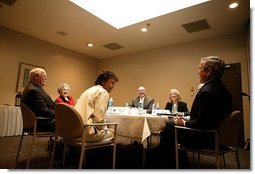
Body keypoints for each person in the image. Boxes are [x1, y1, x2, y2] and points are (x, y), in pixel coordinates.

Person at [153, 56, 232, 168]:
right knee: (172, 127)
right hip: (218, 136)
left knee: (170, 126)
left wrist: (184, 123)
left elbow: (202, 123)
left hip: (205, 138)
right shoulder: (224, 90)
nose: (198, 72)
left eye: (200, 68)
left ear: (208, 71)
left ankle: (172, 162)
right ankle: (169, 159)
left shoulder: (206, 92)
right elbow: (208, 118)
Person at [74, 70, 119, 142]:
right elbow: (99, 119)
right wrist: (106, 130)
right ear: (103, 82)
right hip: (84, 133)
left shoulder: (89, 90)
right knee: (115, 133)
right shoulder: (103, 92)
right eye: (112, 83)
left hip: (72, 132)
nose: (113, 86)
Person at [21, 67, 56, 132]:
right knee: (68, 121)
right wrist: (60, 113)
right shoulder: (33, 90)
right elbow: (43, 112)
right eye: (44, 76)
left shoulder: (35, 88)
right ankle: (65, 141)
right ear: (36, 76)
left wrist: (63, 106)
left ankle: (60, 141)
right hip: (41, 123)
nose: (46, 78)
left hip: (42, 121)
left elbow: (51, 103)